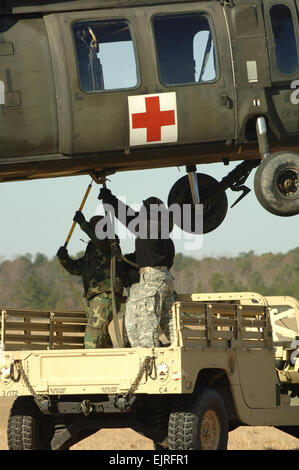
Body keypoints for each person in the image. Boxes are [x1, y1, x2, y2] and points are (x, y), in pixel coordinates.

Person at [98, 188, 175, 348]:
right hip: (159, 278)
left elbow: (126, 215)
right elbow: (158, 258)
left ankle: (151, 362)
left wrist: (110, 199)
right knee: (142, 323)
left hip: (152, 281)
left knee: (144, 328)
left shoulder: (149, 227)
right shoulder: (162, 235)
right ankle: (174, 349)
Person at [57, 211, 124, 349]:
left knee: (92, 339)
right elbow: (77, 268)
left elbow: (99, 239)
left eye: (95, 227)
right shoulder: (93, 249)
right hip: (95, 297)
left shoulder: (109, 241)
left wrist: (83, 224)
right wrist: (64, 259)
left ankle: (89, 366)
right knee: (102, 338)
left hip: (105, 295)